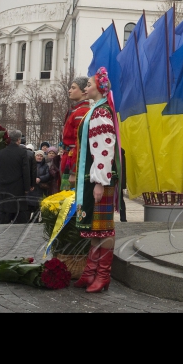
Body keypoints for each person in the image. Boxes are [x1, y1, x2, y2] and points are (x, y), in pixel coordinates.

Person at [74, 69, 120, 294]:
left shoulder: (101, 112)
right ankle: (90, 272)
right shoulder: (95, 109)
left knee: (104, 228)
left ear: (99, 87)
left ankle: (103, 275)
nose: (85, 87)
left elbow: (104, 148)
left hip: (100, 178)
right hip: (94, 177)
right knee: (96, 229)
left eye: (89, 83)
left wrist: (101, 181)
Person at [0, 130, 31, 224]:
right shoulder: (22, 153)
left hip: (3, 186)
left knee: (2, 209)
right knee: (19, 210)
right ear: (18, 140)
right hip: (18, 186)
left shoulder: (0, 153)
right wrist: (27, 188)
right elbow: (26, 171)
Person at [61, 77, 90, 191]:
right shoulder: (76, 110)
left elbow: (79, 143)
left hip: (72, 160)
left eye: (73, 88)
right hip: (68, 157)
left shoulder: (81, 112)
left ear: (83, 91)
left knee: (69, 199)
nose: (69, 90)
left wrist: (74, 170)